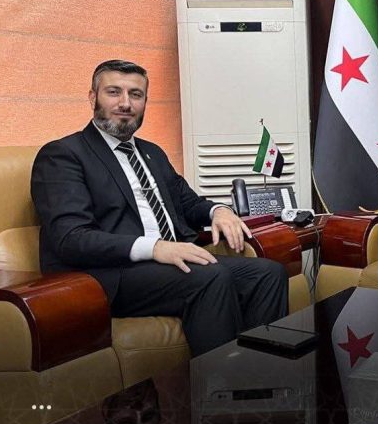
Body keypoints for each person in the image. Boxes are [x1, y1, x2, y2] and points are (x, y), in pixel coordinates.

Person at [31, 60, 288, 356]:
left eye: (136, 94)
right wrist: (155, 248)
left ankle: (261, 371)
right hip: (111, 274)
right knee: (210, 277)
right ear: (93, 98)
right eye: (114, 92)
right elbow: (71, 238)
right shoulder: (63, 155)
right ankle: (221, 381)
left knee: (268, 273)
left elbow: (188, 202)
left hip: (170, 265)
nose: (125, 103)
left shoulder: (151, 152)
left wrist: (219, 210)